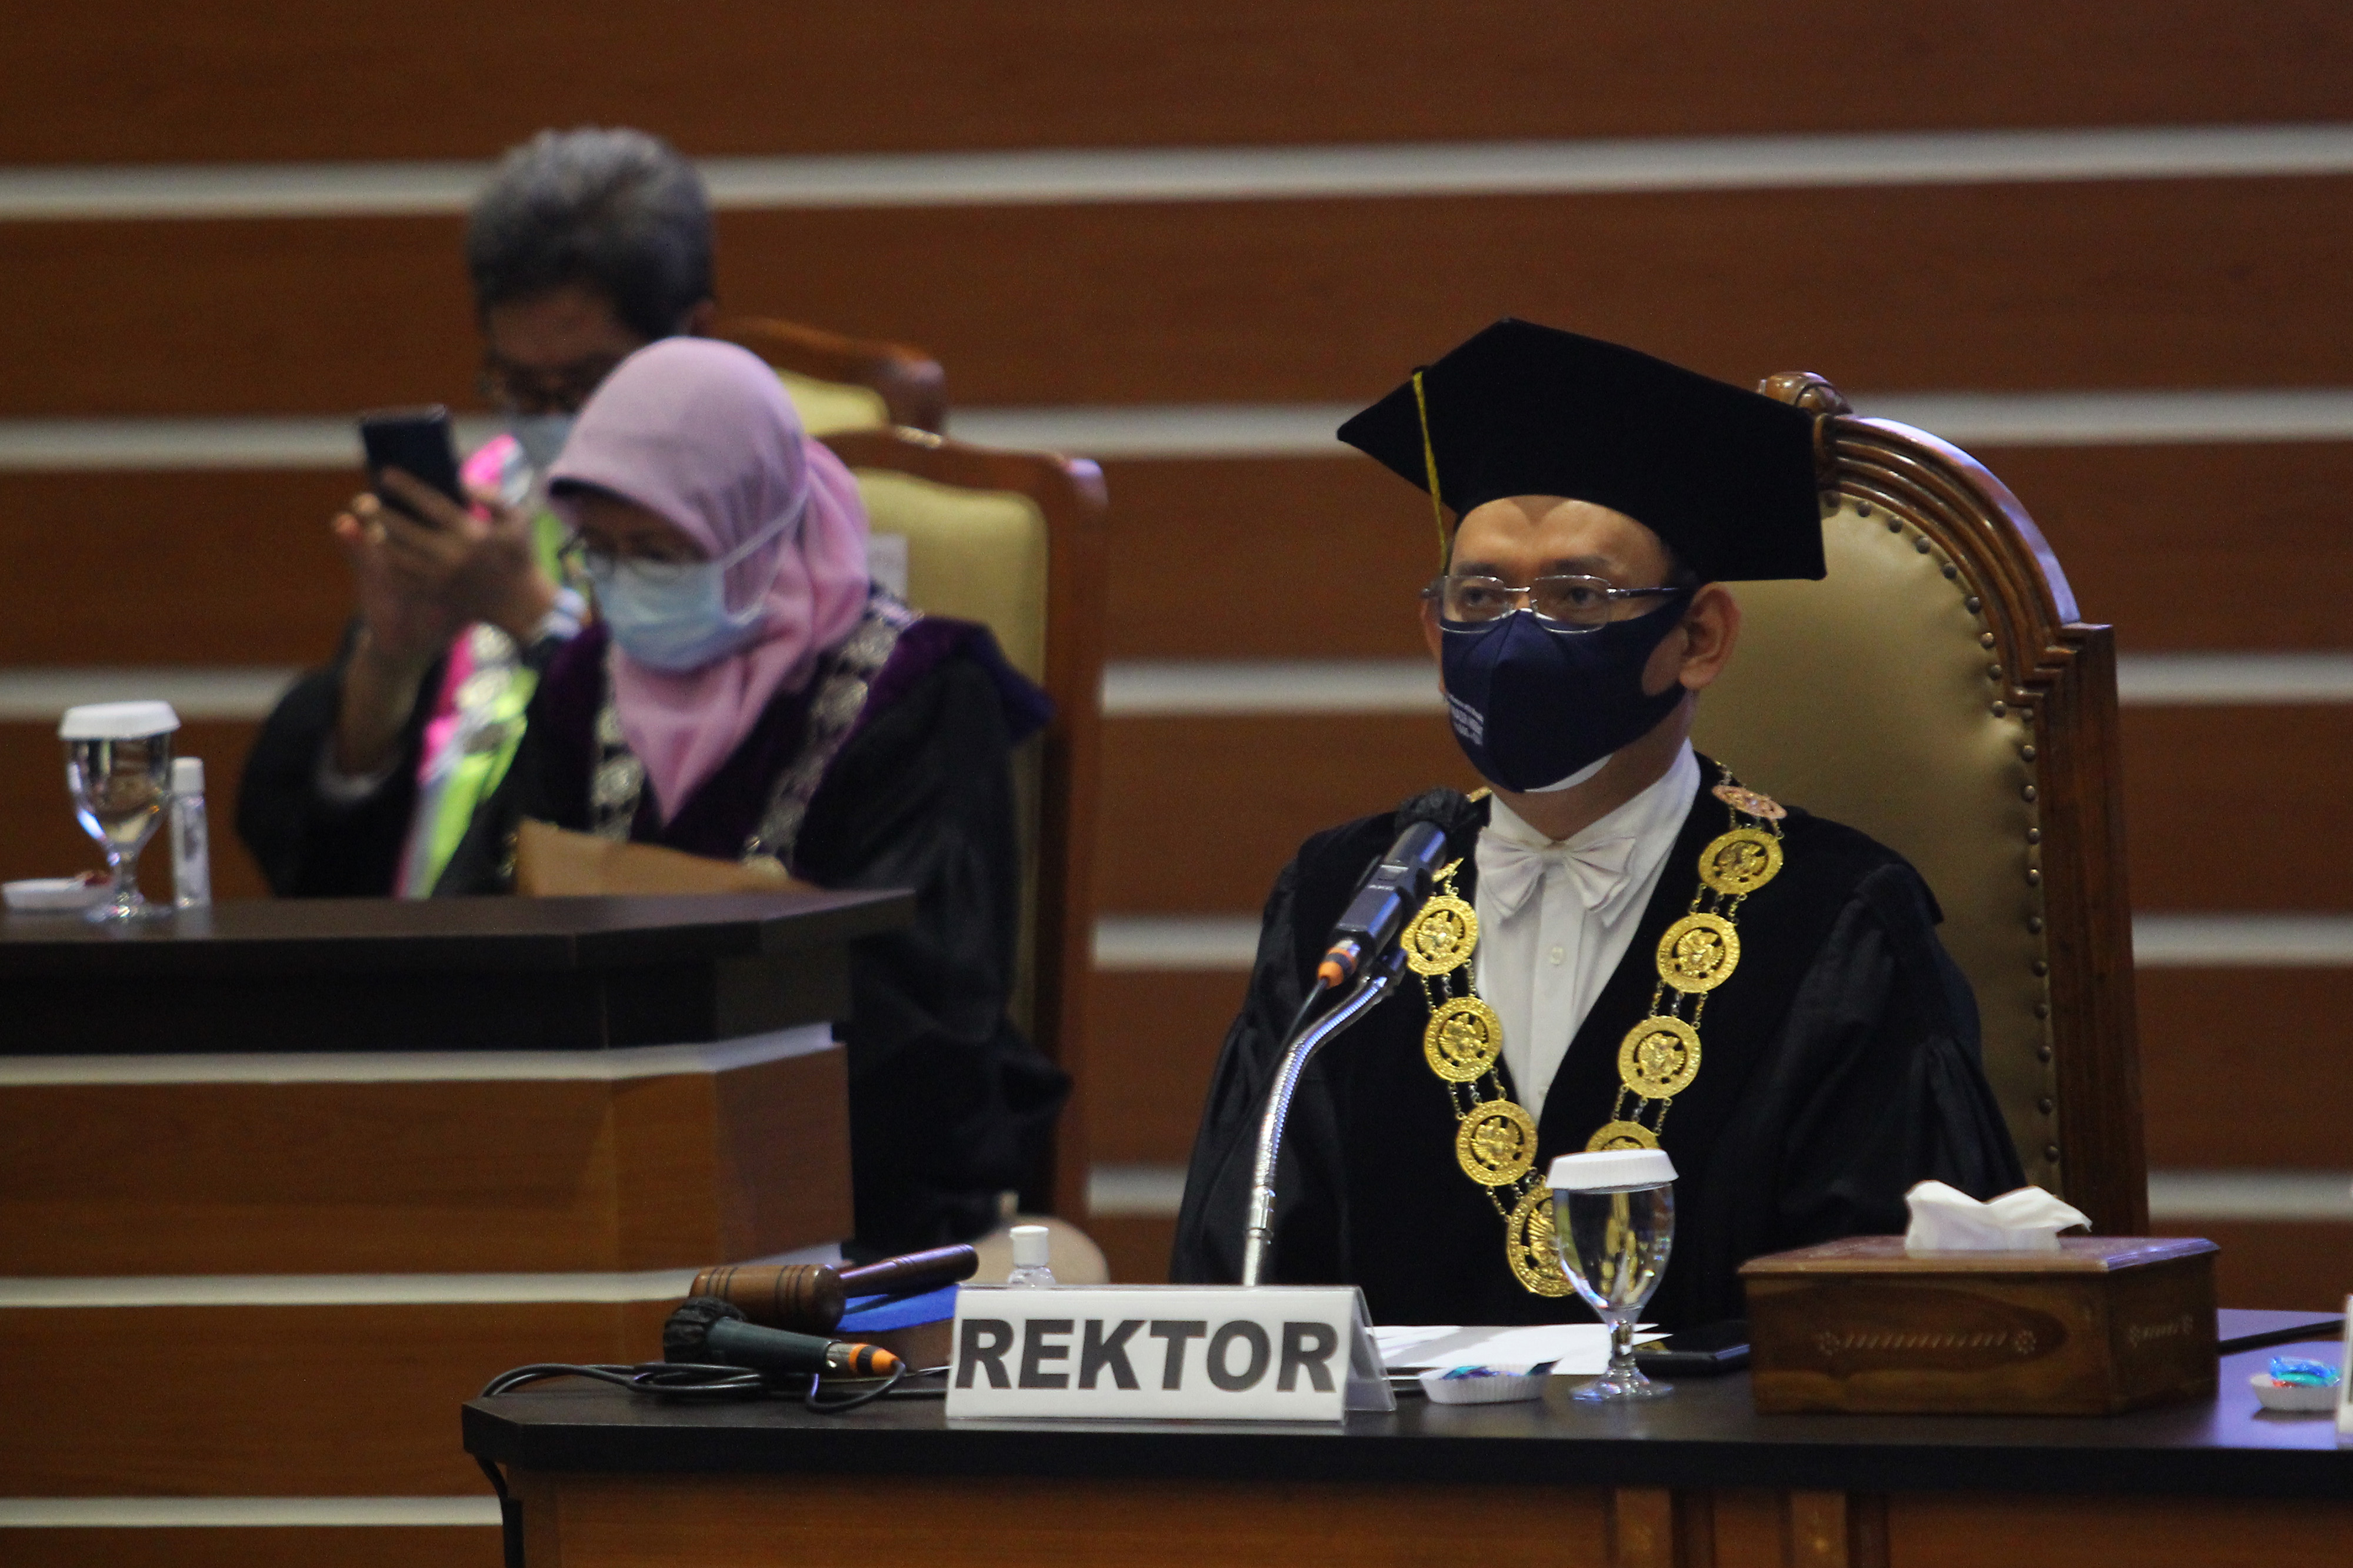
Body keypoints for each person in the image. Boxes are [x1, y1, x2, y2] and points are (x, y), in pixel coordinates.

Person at [1171, 319, 2022, 1329]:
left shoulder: (1838, 918)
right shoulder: (1349, 905)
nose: (1517, 635)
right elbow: (1235, 1289)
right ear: (1436, 639)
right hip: (1395, 1484)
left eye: (1577, 595)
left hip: (1719, 1480)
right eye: (1480, 596)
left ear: (1698, 638)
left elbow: (1901, 1322)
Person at [434, 336, 1067, 1255]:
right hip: (594, 1167)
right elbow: (479, 915)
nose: (629, 586)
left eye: (659, 552)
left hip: (851, 1191)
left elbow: (934, 1008)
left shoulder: (923, 692)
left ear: (761, 527)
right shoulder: (585, 681)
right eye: (601, 554)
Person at [239, 127, 716, 897]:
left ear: (690, 334)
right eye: (523, 387)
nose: (556, 421)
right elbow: (324, 866)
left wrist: (529, 616)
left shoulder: (754, 524)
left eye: (587, 382)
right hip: (420, 980)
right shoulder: (484, 508)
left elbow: (724, 794)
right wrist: (389, 662)